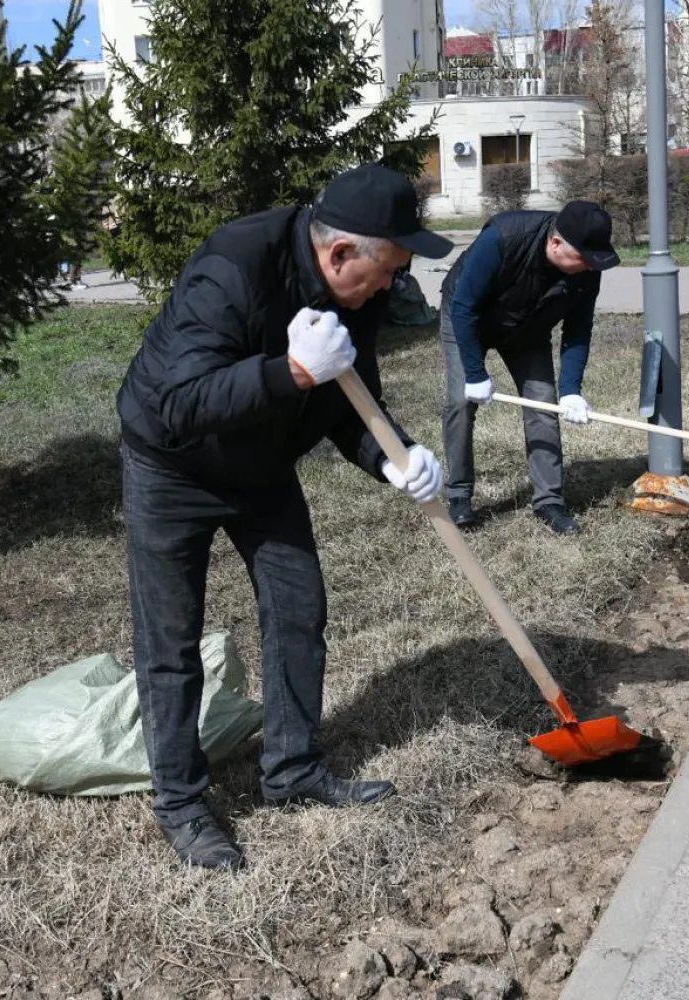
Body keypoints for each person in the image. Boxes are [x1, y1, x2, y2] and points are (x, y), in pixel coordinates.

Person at [115, 164, 454, 872]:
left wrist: (393, 456)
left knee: (298, 605)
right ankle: (180, 803)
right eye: (390, 267)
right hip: (171, 464)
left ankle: (291, 768)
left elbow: (351, 401)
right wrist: (291, 373)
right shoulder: (234, 265)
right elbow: (181, 402)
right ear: (339, 254)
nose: (394, 283)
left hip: (262, 466)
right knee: (171, 640)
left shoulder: (359, 295)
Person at [440, 201, 620, 536]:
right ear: (555, 244)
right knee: (460, 401)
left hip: (528, 329)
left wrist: (571, 391)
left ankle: (549, 500)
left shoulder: (586, 272)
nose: (589, 267)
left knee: (544, 404)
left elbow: (578, 330)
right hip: (468, 319)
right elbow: (464, 306)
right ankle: (459, 495)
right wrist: (476, 374)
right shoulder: (505, 236)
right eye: (584, 258)